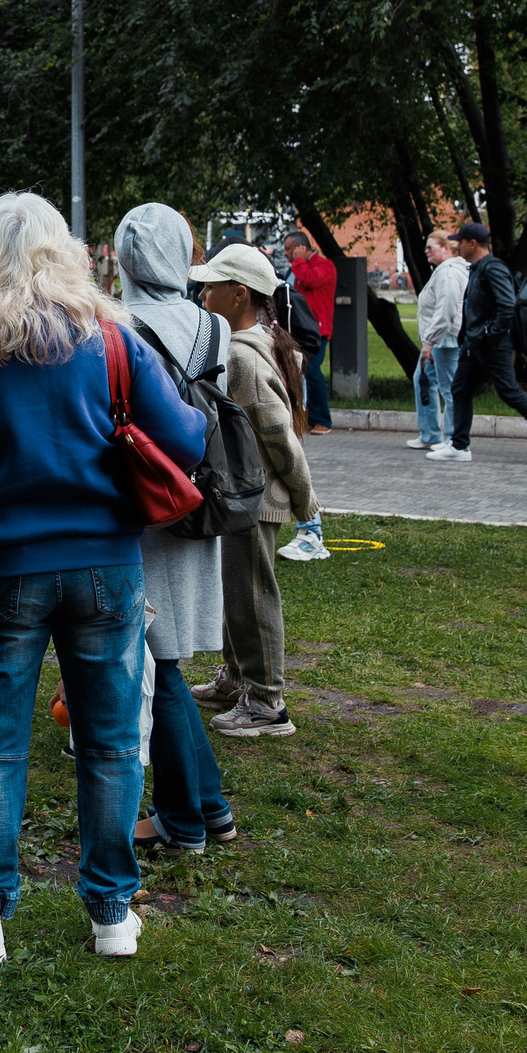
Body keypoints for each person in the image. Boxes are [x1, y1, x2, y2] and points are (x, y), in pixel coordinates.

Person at [0, 192, 207, 964]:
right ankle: (111, 915)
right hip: (106, 568)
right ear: (68, 253)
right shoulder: (112, 342)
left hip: (0, 571)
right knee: (108, 744)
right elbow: (187, 439)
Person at [115, 205, 239, 853]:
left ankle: (183, 823)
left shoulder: (116, 324)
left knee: (155, 665)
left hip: (139, 503)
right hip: (198, 499)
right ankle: (209, 810)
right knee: (163, 663)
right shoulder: (215, 325)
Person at [188, 242, 318, 738]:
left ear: (239, 294)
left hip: (254, 500)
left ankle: (266, 702)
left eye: (211, 286)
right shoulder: (253, 343)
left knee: (253, 595)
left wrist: (306, 500)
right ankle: (237, 677)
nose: (201, 293)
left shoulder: (242, 357)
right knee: (234, 590)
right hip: (241, 496)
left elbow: (277, 435)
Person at [430, 223, 527, 464]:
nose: (457, 246)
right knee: (460, 389)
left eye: (460, 242)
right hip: (474, 342)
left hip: (491, 343)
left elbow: (508, 305)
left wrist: (491, 335)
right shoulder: (477, 268)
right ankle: (459, 446)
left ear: (473, 244)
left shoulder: (493, 268)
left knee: (509, 391)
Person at [411, 230, 466, 451]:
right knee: (423, 379)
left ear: (447, 248)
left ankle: (452, 438)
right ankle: (431, 434)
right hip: (443, 338)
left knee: (449, 387)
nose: (426, 251)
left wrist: (430, 342)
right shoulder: (445, 271)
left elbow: (446, 310)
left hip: (445, 339)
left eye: (430, 247)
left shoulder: (449, 273)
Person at [284, 230, 336, 433]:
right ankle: (311, 417)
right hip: (304, 328)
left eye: (289, 249)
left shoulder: (324, 266)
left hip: (319, 330)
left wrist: (298, 262)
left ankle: (322, 419)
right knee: (302, 371)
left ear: (301, 248)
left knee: (312, 370)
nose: (286, 253)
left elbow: (309, 280)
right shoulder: (301, 267)